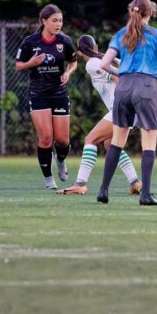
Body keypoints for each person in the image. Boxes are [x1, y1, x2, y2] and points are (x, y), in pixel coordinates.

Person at [94, 0, 157, 206]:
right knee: (148, 142)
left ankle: (103, 190)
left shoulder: (121, 34)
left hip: (124, 86)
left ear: (132, 11)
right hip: (147, 86)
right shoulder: (156, 35)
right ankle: (145, 194)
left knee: (117, 141)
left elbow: (103, 64)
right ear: (150, 13)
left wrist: (120, 73)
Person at [56, 35, 142, 196]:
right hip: (132, 107)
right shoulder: (108, 59)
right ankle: (135, 183)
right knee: (110, 145)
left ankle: (80, 184)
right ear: (95, 46)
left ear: (80, 53)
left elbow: (117, 78)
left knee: (90, 140)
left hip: (122, 107)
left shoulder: (92, 64)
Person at [15, 4, 77, 189]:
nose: (58, 24)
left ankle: (60, 160)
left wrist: (68, 73)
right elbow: (18, 65)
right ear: (44, 21)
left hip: (59, 93)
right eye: (54, 21)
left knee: (63, 140)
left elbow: (73, 62)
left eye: (60, 21)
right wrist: (31, 63)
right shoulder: (30, 42)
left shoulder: (64, 41)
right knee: (46, 138)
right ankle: (49, 178)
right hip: (39, 93)